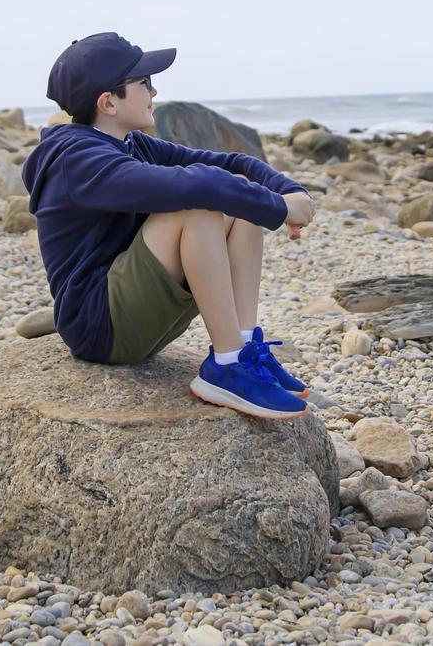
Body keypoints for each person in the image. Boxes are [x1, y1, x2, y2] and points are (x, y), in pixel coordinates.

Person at [22, 32, 318, 420]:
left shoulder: (132, 144)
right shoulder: (77, 159)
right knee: (196, 208)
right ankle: (226, 368)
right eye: (143, 83)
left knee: (237, 197)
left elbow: (229, 164)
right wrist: (279, 209)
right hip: (99, 328)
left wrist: (290, 193)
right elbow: (196, 185)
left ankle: (243, 352)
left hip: (131, 315)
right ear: (108, 101)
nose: (154, 91)